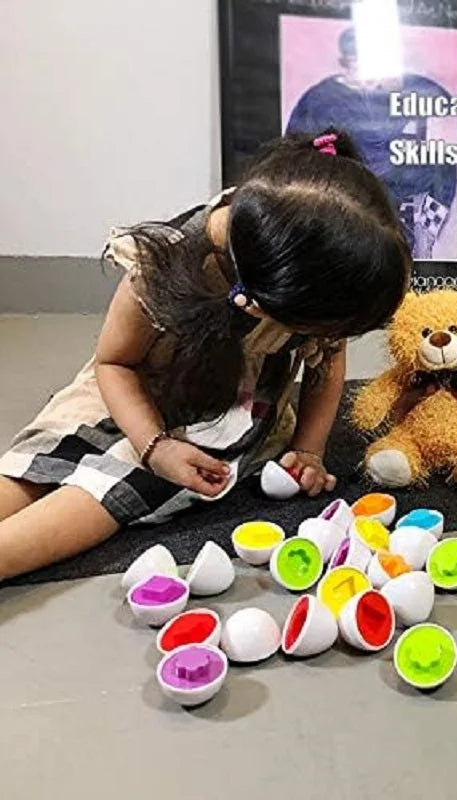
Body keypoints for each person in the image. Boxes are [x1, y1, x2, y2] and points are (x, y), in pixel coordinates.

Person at [0, 130, 411, 581]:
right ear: (260, 304)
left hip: (223, 411)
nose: (332, 340)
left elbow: (326, 362)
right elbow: (114, 364)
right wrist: (154, 445)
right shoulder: (166, 265)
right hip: (128, 388)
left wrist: (309, 450)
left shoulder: (298, 255)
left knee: (117, 487)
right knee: (40, 463)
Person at [286, 27, 457, 259]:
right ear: (344, 62)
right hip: (349, 190)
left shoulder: (401, 88)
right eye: (358, 62)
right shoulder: (320, 99)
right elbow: (294, 153)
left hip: (401, 186)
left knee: (443, 161)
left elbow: (443, 103)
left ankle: (421, 239)